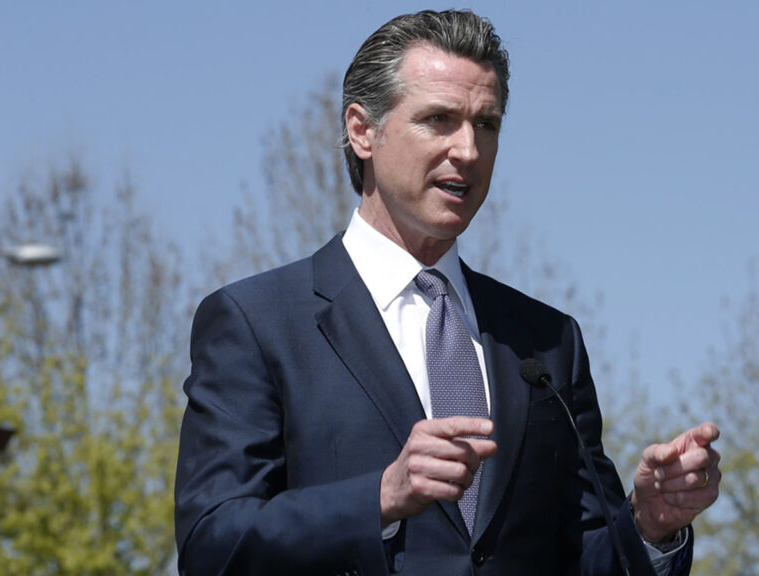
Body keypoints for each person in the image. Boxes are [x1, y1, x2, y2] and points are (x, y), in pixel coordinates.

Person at [174, 9, 720, 576]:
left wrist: (648, 525)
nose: (468, 150)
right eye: (438, 119)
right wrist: (379, 498)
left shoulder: (548, 341)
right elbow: (212, 546)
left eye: (486, 124)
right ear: (362, 130)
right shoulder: (257, 322)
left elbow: (582, 555)